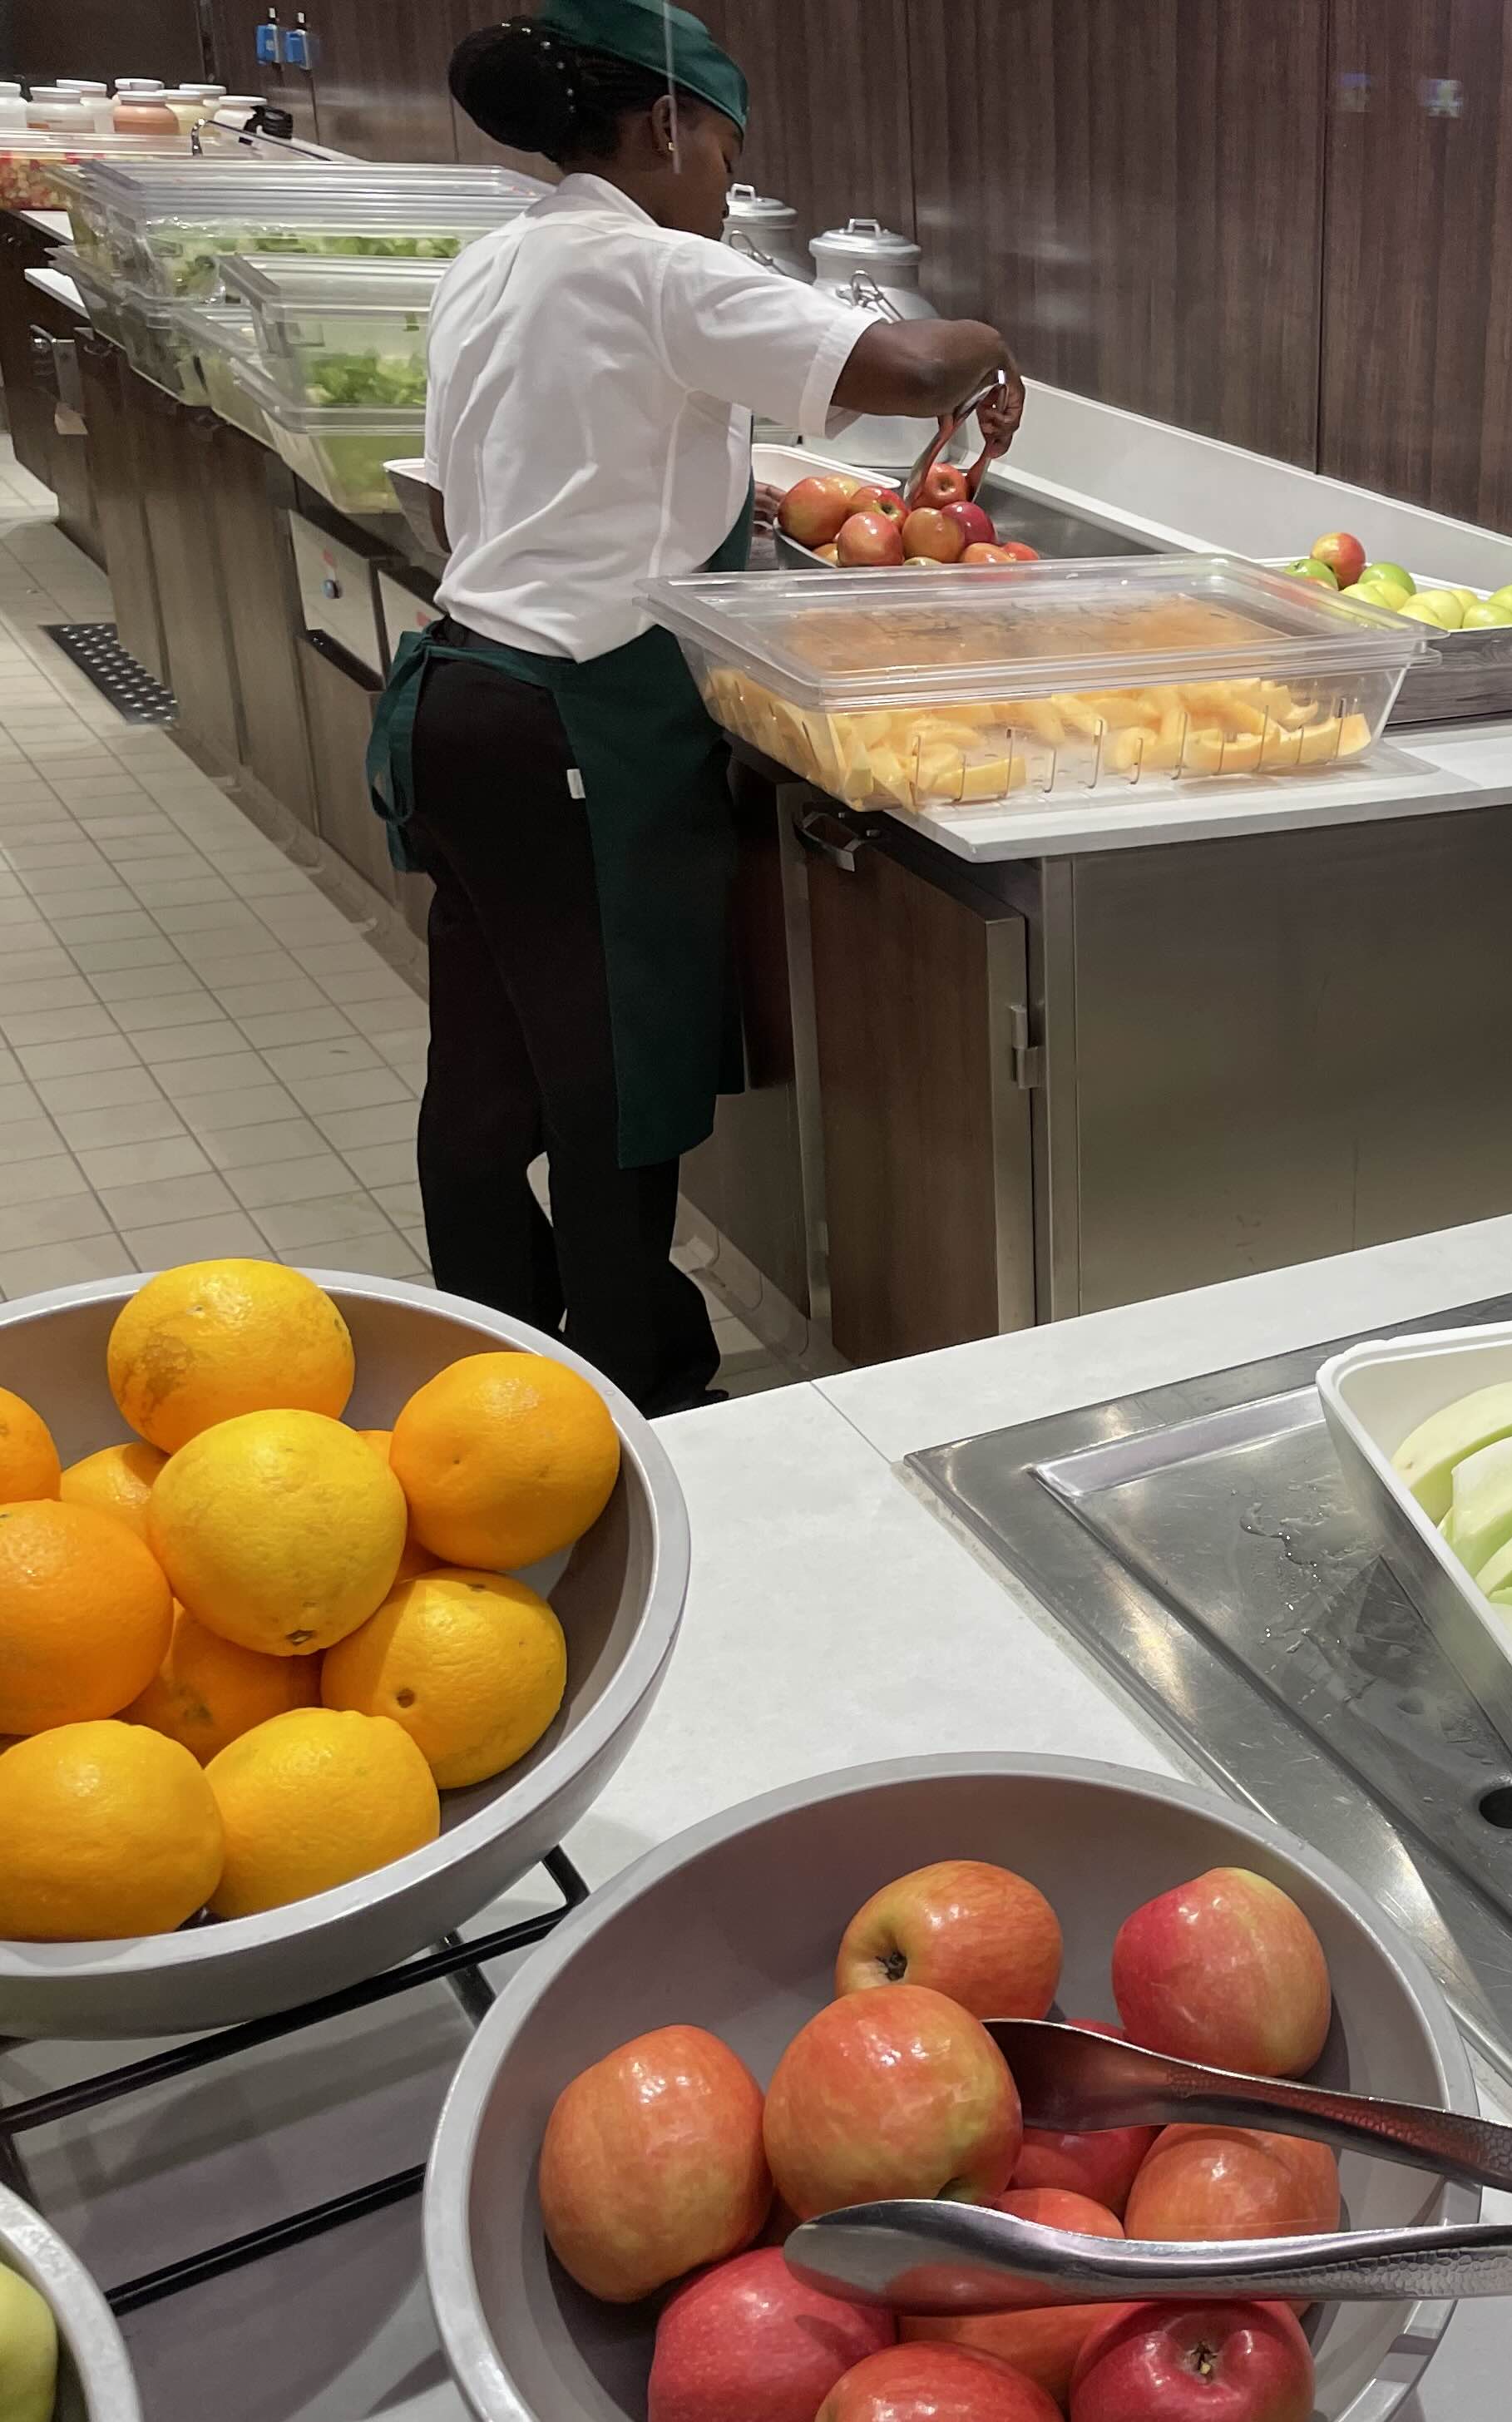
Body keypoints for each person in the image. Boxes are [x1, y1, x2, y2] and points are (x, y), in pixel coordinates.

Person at [368, 0, 1022, 1413]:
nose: (728, 188)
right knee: (618, 1092)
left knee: (484, 1078)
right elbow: (915, 368)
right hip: (576, 729)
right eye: (728, 154)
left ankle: (490, 1372)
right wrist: (989, 339)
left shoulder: (496, 260)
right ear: (668, 122)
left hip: (460, 703)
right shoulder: (656, 267)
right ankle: (635, 1401)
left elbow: (532, 472)